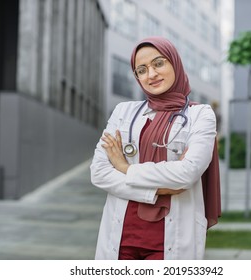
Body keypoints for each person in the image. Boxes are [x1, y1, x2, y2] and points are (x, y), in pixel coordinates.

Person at [90, 36, 220, 260]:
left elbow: (186, 174)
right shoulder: (123, 112)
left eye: (158, 63)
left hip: (172, 239)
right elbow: (99, 173)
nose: (151, 75)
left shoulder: (200, 115)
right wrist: (157, 190)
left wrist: (124, 167)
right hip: (121, 237)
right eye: (141, 70)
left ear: (174, 62)